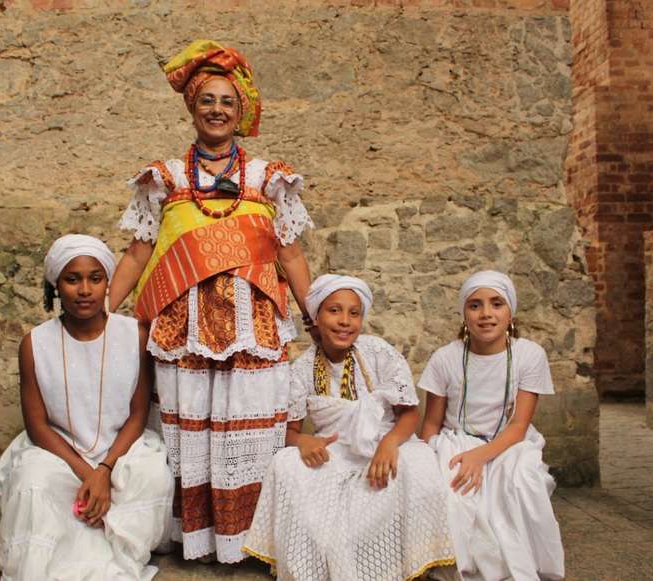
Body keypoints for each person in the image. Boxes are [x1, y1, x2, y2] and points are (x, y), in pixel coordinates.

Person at [109, 39, 313, 563]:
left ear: (238, 111)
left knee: (247, 429)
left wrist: (316, 315)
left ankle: (249, 541)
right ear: (192, 108)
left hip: (251, 323)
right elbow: (138, 253)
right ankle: (193, 540)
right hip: (187, 327)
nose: (217, 110)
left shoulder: (268, 179)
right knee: (191, 429)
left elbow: (289, 256)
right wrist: (103, 312)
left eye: (226, 101)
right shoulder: (168, 179)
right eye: (207, 101)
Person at [0, 234, 173, 581]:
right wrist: (89, 474)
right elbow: (37, 426)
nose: (84, 289)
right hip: (57, 452)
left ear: (106, 284)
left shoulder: (135, 335)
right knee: (33, 482)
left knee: (151, 475)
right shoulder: (34, 343)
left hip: (121, 450)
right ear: (56, 285)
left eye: (95, 278)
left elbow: (137, 414)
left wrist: (104, 470)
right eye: (72, 279)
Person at [243, 274, 456, 580]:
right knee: (283, 463)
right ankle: (318, 560)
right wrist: (302, 441)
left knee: (420, 461)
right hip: (335, 452)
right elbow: (290, 431)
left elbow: (409, 415)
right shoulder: (302, 369)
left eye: (354, 313)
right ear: (316, 316)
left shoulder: (377, 352)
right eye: (334, 311)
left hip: (385, 442)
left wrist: (389, 444)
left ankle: (404, 561)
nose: (345, 321)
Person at [419, 270, 565, 581]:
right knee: (453, 489)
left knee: (521, 480)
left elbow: (519, 425)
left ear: (510, 310)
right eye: (475, 305)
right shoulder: (446, 358)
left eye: (496, 304)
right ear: (464, 313)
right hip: (456, 441)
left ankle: (519, 565)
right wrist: (428, 462)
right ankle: (455, 562)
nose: (486, 314)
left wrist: (480, 456)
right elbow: (431, 423)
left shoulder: (529, 355)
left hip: (509, 441)